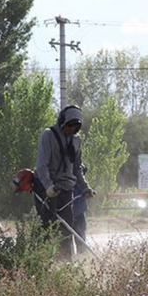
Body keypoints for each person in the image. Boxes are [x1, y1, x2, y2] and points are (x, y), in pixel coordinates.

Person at [34, 105, 95, 259]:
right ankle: (42, 262)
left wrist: (85, 188)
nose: (72, 129)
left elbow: (77, 168)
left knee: (66, 231)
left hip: (66, 189)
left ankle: (65, 264)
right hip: (47, 189)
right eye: (69, 125)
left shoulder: (76, 140)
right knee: (47, 228)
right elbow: (41, 165)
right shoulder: (48, 135)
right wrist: (48, 186)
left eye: (76, 127)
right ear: (62, 121)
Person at [72, 163, 89, 253]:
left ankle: (82, 257)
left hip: (78, 210)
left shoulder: (80, 181)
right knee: (65, 237)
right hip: (67, 209)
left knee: (80, 234)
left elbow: (83, 168)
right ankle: (66, 259)